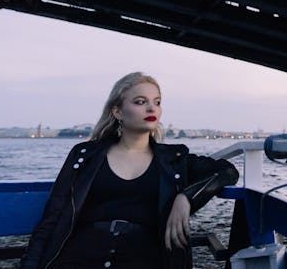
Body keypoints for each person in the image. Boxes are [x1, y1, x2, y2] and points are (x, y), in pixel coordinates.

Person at [20, 72, 240, 269]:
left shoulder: (175, 159)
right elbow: (52, 218)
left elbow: (227, 171)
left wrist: (186, 197)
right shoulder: (85, 155)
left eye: (157, 102)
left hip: (145, 258)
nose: (151, 108)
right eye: (140, 102)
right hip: (80, 255)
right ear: (117, 111)